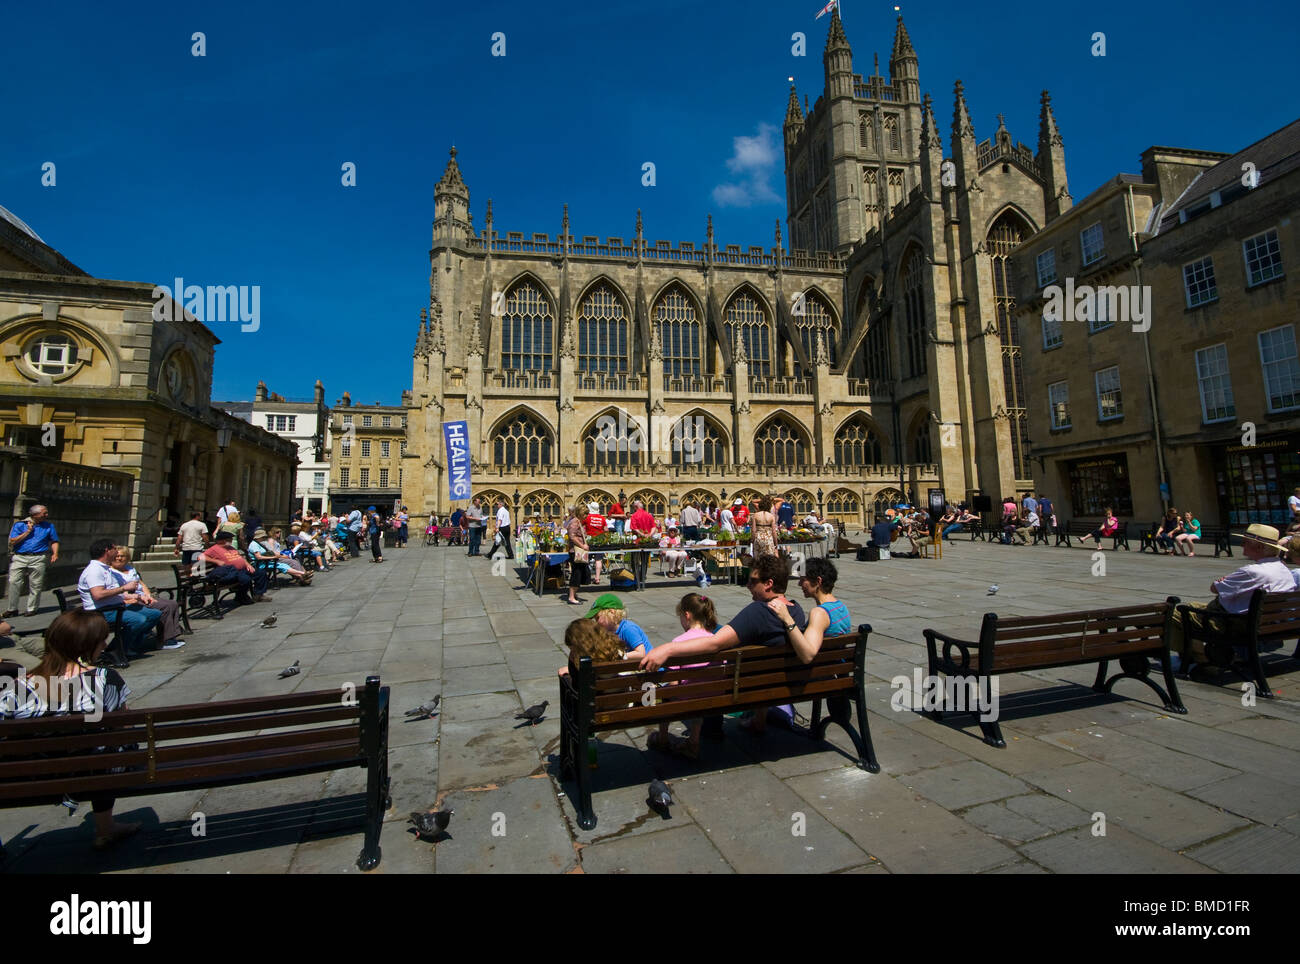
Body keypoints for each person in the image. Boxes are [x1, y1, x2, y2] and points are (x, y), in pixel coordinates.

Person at [0, 610, 139, 850]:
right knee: (109, 746)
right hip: (96, 771)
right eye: (101, 640)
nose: (105, 644)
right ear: (87, 645)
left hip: (33, 776)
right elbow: (125, 725)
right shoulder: (106, 678)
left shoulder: (17, 687)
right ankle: (105, 828)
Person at [1168, 524, 1295, 670]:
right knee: (1192, 606)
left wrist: (1226, 580)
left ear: (1259, 547)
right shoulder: (1284, 570)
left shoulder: (1252, 572)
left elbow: (1214, 588)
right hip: (1266, 623)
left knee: (1173, 613)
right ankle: (1199, 655)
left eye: (1245, 542)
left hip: (1232, 623)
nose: (1241, 545)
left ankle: (1199, 658)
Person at [648, 592, 719, 760]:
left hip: (687, 697)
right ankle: (693, 741)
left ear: (686, 615)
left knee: (666, 695)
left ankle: (663, 738)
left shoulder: (679, 643)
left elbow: (673, 682)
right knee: (698, 689)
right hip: (713, 693)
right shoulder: (715, 639)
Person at [77, 539, 161, 655]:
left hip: (116, 606)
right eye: (114, 549)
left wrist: (137, 596)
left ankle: (130, 646)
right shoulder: (94, 570)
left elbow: (114, 592)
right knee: (138, 620)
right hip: (102, 611)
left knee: (154, 614)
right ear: (107, 551)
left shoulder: (105, 568)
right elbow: (98, 594)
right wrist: (124, 588)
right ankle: (114, 650)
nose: (117, 552)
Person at [766, 557, 849, 663]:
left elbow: (807, 656)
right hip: (836, 671)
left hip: (820, 674)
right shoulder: (842, 607)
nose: (799, 584)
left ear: (818, 581)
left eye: (803, 579)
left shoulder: (819, 614)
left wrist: (787, 618)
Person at [110, 548, 185, 650]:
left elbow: (141, 584)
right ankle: (164, 640)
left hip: (143, 597)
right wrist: (131, 599)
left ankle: (170, 637)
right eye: (116, 556)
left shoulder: (130, 569)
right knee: (164, 607)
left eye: (122, 556)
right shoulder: (112, 572)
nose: (119, 558)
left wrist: (149, 596)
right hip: (132, 600)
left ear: (127, 558)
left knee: (172, 603)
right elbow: (118, 592)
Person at [5, 504, 59, 619]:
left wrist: (55, 553)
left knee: (36, 584)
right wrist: (27, 532)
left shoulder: (49, 526)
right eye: (44, 513)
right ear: (35, 514)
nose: (46, 515)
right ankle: (12, 608)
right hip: (20, 557)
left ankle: (32, 608)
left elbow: (54, 540)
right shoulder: (20, 525)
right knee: (14, 582)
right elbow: (12, 541)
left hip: (38, 558)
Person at [197, 529, 269, 604]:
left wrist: (248, 564)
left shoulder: (231, 548)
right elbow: (200, 557)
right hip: (232, 572)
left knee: (261, 573)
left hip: (243, 569)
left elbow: (240, 557)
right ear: (222, 540)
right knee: (245, 579)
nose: (231, 540)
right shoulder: (214, 549)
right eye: (229, 539)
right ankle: (241, 597)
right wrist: (216, 561)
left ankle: (258, 594)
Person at [557, 616, 626, 678]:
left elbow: (577, 685)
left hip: (595, 691)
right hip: (623, 690)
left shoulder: (584, 663)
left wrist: (572, 664)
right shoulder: (616, 650)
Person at [585, 593, 652, 656]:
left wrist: (618, 655)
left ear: (611, 612)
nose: (596, 622)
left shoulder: (628, 629)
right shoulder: (608, 630)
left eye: (597, 618)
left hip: (648, 666)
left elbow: (641, 653)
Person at [566, 504, 590, 606]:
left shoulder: (578, 522)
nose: (586, 516)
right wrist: (582, 545)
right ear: (580, 513)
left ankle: (574, 594)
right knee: (576, 574)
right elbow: (572, 537)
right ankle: (571, 597)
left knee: (580, 573)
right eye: (585, 513)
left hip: (579, 551)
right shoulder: (574, 522)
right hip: (575, 552)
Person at [750, 496, 779, 560]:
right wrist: (776, 543)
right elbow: (774, 532)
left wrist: (752, 540)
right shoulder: (771, 516)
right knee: (769, 560)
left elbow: (753, 530)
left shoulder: (755, 515)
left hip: (758, 538)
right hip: (768, 538)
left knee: (758, 560)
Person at [584, 502, 606, 585]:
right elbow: (606, 529)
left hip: (589, 541)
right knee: (598, 560)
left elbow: (582, 527)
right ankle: (597, 578)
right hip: (600, 541)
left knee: (586, 560)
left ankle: (586, 577)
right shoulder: (602, 518)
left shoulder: (587, 517)